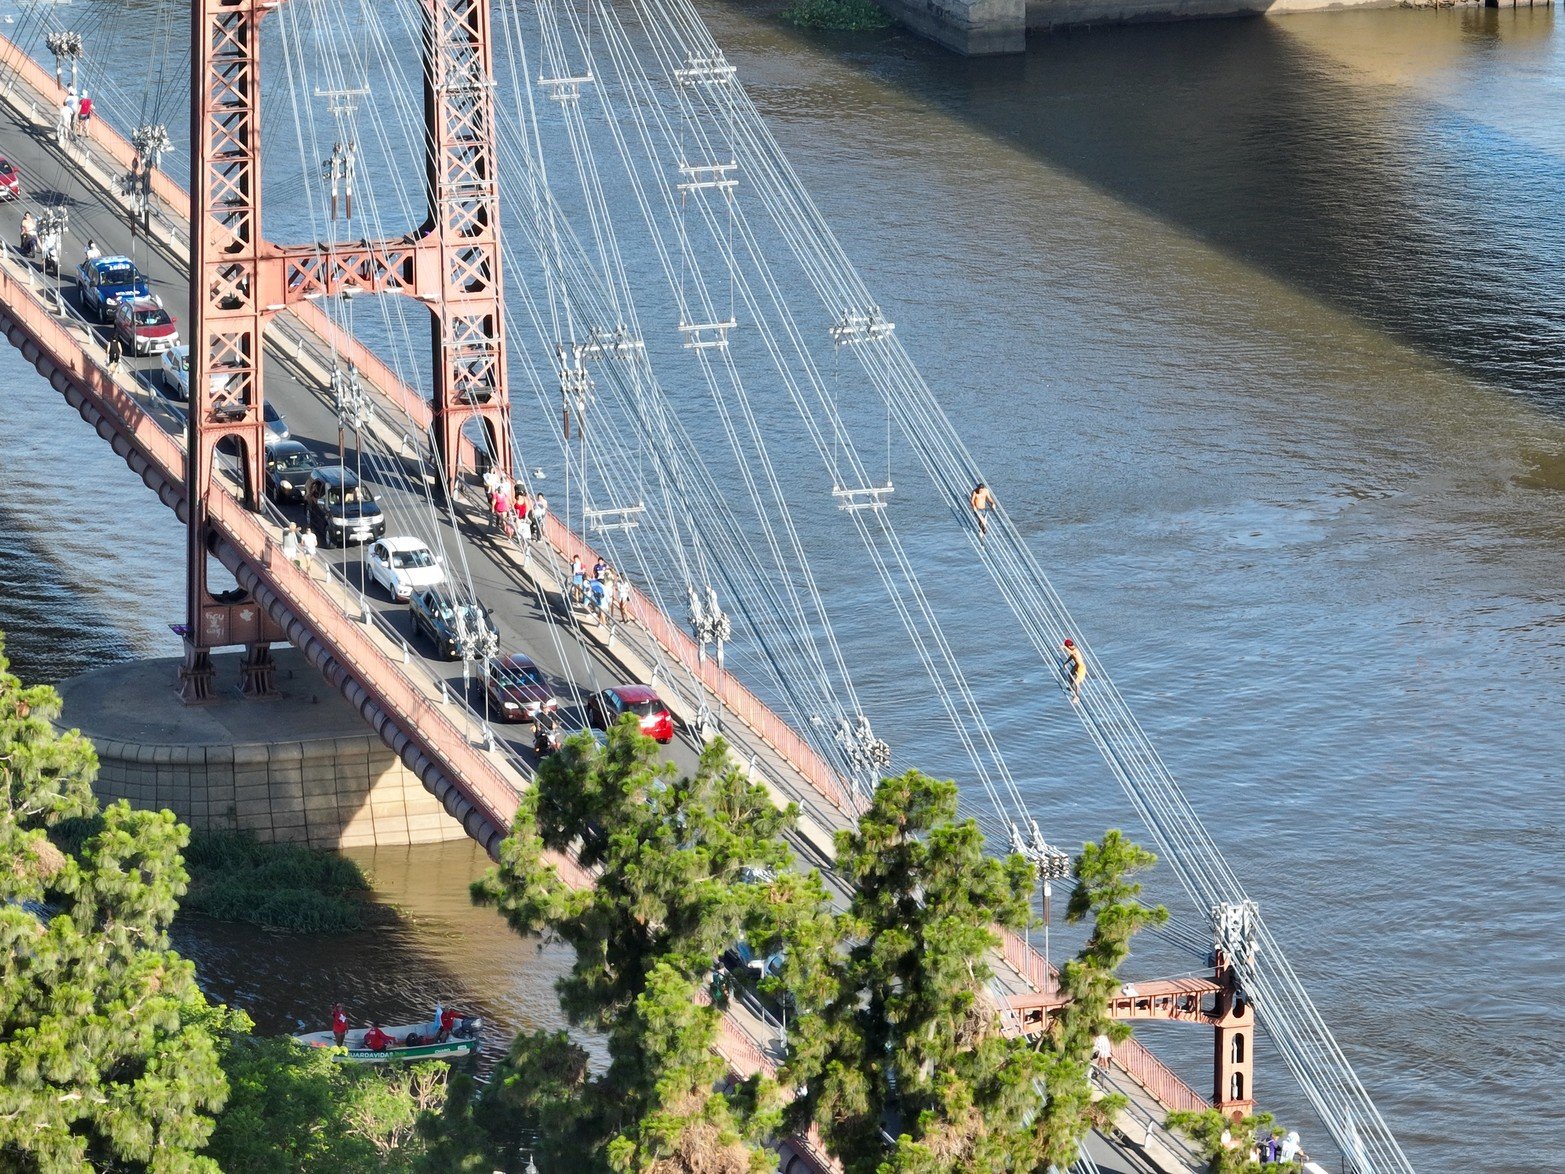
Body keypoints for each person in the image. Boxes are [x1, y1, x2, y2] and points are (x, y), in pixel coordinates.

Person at [1063, 637, 1087, 702]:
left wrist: (1064, 648)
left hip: (1081, 668)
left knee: (1076, 682)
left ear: (1068, 646)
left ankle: (1077, 697)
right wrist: (1066, 663)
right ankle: (1072, 688)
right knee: (1069, 675)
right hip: (1076, 666)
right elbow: (1071, 656)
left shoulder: (1075, 650)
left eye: (1067, 647)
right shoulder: (1073, 650)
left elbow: (1072, 653)